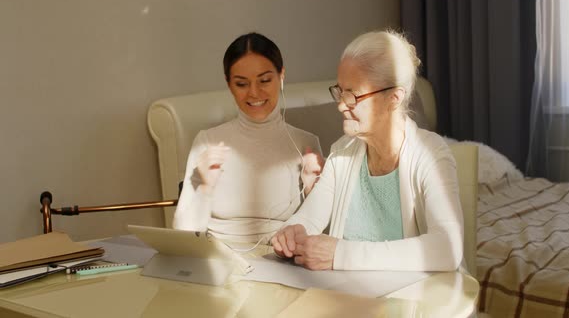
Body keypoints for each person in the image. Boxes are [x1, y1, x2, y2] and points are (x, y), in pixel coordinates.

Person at [271, 30, 464, 272]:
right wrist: (291, 233)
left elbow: (448, 248)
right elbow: (309, 219)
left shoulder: (431, 154)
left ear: (394, 98)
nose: (341, 104)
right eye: (340, 91)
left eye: (353, 95)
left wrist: (341, 254)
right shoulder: (342, 153)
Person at [173, 32, 323, 243]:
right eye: (242, 84)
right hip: (219, 261)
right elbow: (183, 236)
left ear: (281, 75)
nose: (254, 93)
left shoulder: (306, 144)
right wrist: (203, 187)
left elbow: (322, 234)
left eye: (264, 80)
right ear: (229, 84)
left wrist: (312, 191)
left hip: (283, 260)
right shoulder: (208, 141)